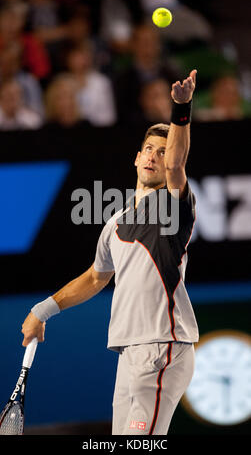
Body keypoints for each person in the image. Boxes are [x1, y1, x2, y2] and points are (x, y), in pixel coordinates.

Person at [22, 69, 199, 435]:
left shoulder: (173, 206)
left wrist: (181, 110)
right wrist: (44, 310)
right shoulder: (115, 223)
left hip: (163, 346)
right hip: (129, 352)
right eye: (149, 149)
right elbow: (94, 277)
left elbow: (179, 165)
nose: (155, 156)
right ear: (136, 158)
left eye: (163, 152)